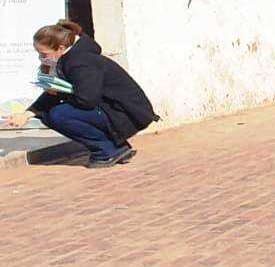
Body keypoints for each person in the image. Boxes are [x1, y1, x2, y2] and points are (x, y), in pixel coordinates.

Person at [3, 20, 158, 168]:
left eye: (44, 54)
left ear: (61, 48)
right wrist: (27, 114)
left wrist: (60, 94)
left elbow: (86, 100)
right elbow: (59, 91)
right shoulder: (70, 58)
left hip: (125, 113)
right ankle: (114, 146)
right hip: (112, 109)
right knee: (50, 115)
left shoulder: (81, 62)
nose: (41, 59)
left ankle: (107, 150)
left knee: (58, 115)